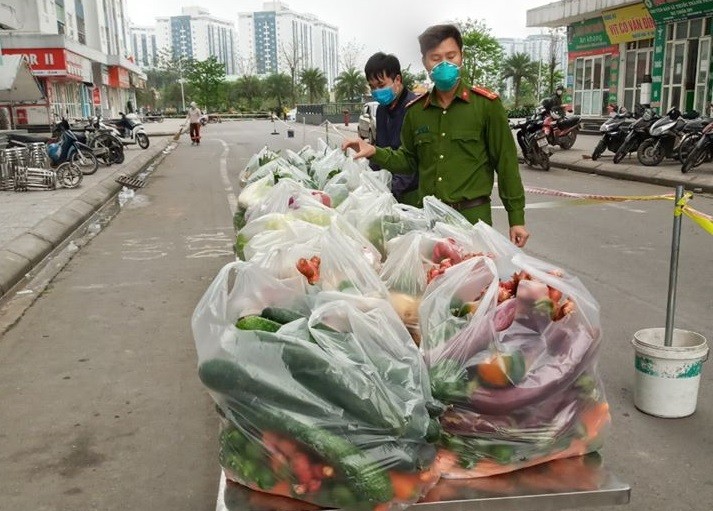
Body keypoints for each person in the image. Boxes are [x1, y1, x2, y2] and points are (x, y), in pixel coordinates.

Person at [341, 24, 529, 247]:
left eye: (451, 56)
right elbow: (409, 160)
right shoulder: (416, 111)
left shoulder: (486, 106)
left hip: (472, 219)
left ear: (462, 56)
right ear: (425, 62)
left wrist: (516, 218)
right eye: (436, 58)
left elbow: (506, 162)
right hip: (429, 220)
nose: (444, 64)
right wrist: (374, 152)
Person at [364, 52, 420, 205]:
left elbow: (413, 160)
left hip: (413, 193)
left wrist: (390, 191)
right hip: (390, 191)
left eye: (381, 85)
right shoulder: (382, 110)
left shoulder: (415, 109)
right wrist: (370, 181)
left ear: (397, 80)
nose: (376, 91)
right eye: (372, 87)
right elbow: (380, 149)